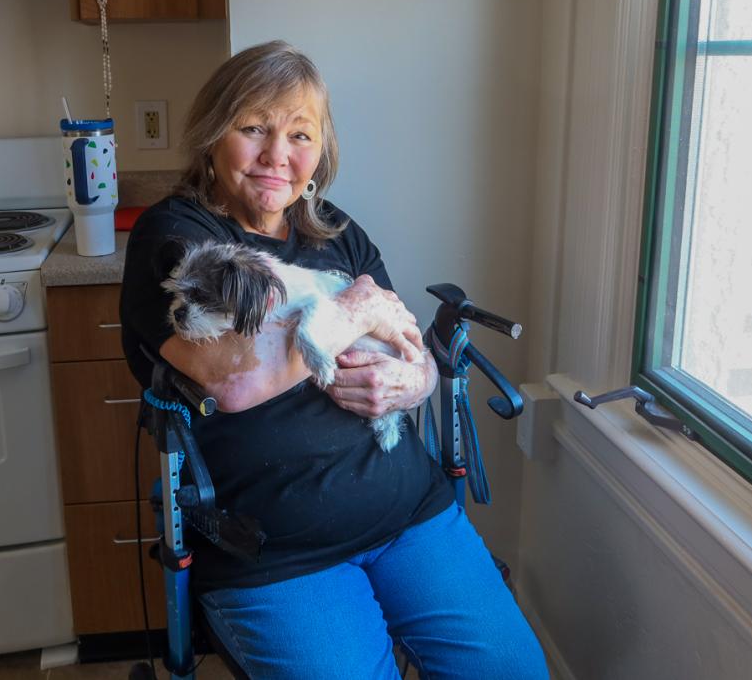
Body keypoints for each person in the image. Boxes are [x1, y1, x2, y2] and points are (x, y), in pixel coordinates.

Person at [120, 41, 547, 679]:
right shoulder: (180, 236)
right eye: (254, 128)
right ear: (213, 136)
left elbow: (413, 349)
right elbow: (232, 379)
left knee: (512, 671)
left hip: (408, 510)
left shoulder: (339, 234)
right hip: (278, 548)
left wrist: (412, 382)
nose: (277, 155)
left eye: (300, 134)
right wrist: (352, 313)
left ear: (321, 151)